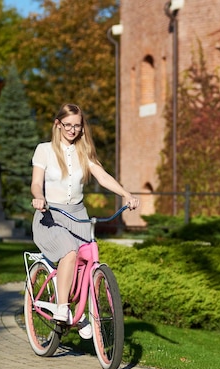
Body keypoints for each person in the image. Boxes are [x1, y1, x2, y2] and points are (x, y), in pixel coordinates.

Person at [30, 103, 139, 338]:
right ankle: (62, 308)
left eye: (77, 126)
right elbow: (36, 182)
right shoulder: (44, 150)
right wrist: (38, 197)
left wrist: (125, 194)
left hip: (78, 217)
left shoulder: (83, 151)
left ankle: (79, 313)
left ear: (82, 128)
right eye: (67, 125)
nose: (72, 130)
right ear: (58, 124)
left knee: (87, 259)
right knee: (69, 252)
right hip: (50, 216)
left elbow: (102, 176)